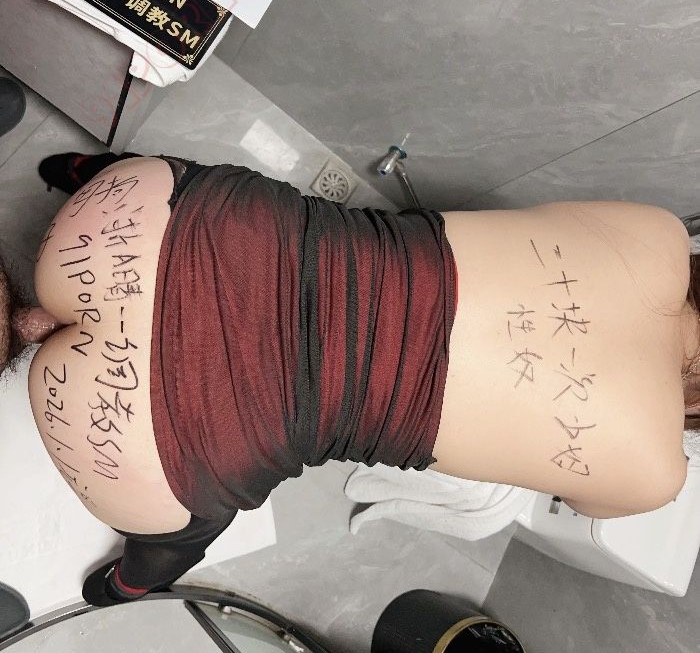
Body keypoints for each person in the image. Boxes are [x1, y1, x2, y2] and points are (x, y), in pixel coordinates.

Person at [1, 151, 696, 607]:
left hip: (128, 219)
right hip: (134, 437)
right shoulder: (655, 476)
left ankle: (88, 170)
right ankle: (128, 584)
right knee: (183, 535)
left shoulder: (661, 234)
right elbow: (582, 501)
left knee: (207, 187)